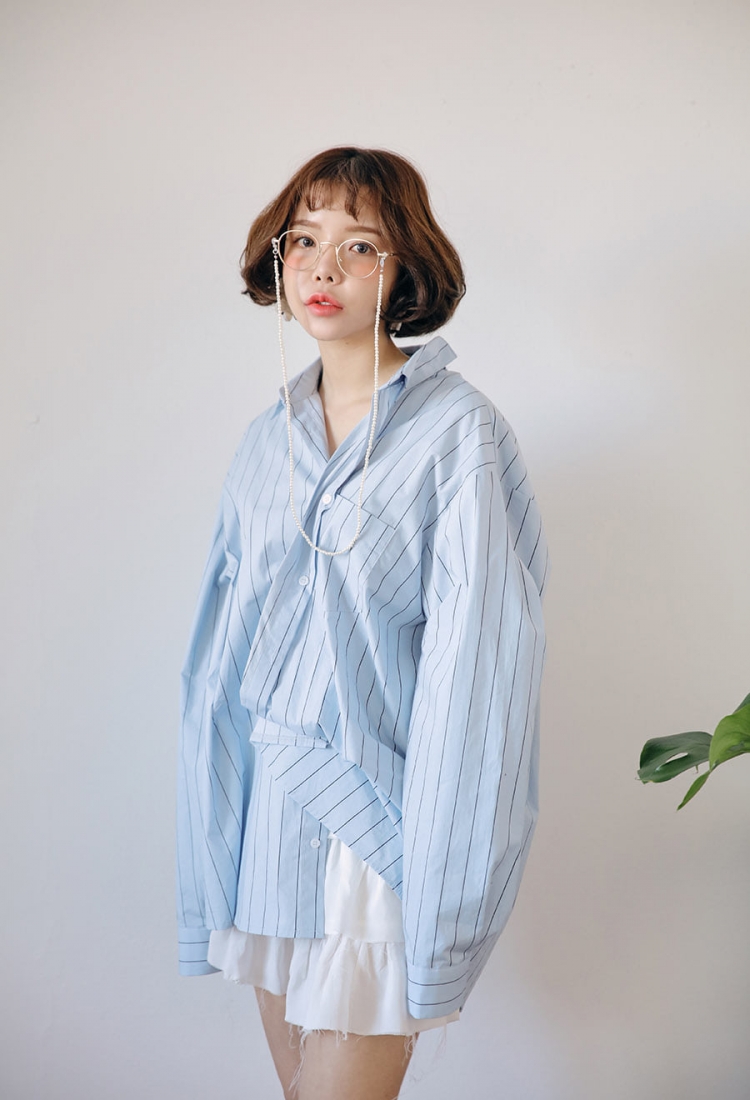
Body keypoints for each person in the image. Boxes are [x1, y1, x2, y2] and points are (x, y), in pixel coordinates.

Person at [177, 146, 548, 1100]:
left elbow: (483, 672)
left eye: (359, 245)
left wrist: (450, 882)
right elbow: (217, 668)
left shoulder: (459, 433)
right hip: (268, 832)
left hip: (377, 834)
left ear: (404, 266)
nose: (324, 267)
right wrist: (210, 849)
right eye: (303, 240)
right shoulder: (264, 443)